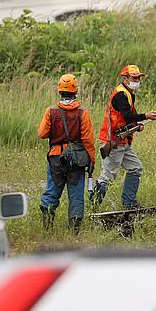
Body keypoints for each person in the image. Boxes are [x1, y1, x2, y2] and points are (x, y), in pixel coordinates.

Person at [94, 65, 156, 209]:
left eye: (138, 77)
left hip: (122, 140)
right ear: (125, 79)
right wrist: (145, 116)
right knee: (107, 176)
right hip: (114, 141)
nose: (137, 80)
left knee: (135, 168)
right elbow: (127, 115)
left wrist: (136, 124)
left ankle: (129, 204)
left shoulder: (128, 94)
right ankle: (92, 206)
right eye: (134, 78)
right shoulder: (121, 95)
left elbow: (126, 119)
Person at [38, 74, 96, 234]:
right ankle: (74, 231)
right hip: (76, 160)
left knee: (53, 190)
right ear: (75, 91)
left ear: (60, 91)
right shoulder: (82, 113)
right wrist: (92, 161)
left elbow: (42, 133)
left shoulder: (51, 111)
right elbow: (88, 140)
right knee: (76, 194)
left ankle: (47, 227)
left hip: (56, 158)